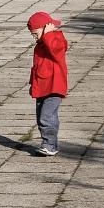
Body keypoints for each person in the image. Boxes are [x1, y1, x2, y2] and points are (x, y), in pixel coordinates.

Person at [27, 11, 68, 156]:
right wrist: (33, 84)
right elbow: (37, 68)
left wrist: (49, 34)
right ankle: (52, 144)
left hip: (54, 88)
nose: (34, 37)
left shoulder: (56, 39)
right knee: (41, 117)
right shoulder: (40, 45)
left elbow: (56, 50)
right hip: (43, 88)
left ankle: (49, 144)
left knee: (46, 117)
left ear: (46, 28)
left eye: (35, 33)